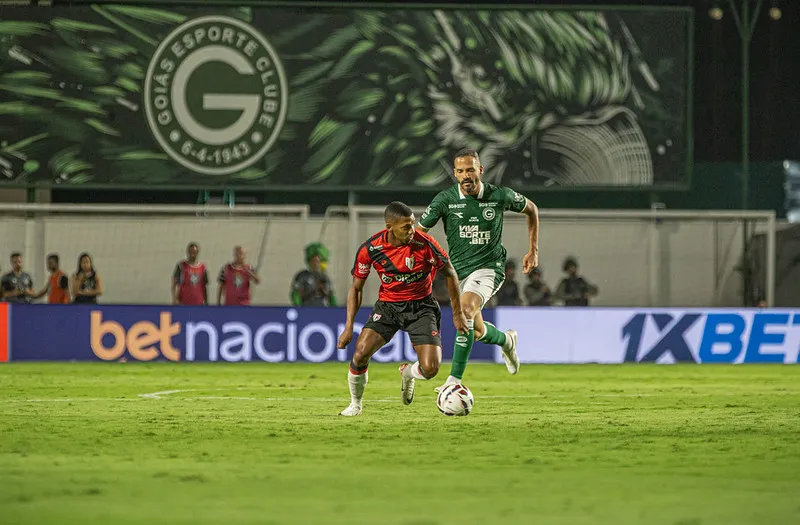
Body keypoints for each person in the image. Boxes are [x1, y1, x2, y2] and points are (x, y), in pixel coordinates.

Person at [417, 148, 540, 392]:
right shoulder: (445, 200)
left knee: (464, 311)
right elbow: (419, 234)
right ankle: (506, 340)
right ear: (454, 173)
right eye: (460, 171)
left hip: (489, 268)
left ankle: (454, 382)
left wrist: (533, 250)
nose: (466, 175)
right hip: (459, 273)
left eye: (470, 170)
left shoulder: (499, 195)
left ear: (480, 170)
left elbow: (532, 209)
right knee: (478, 330)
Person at [337, 201, 467, 417]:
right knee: (360, 353)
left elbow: (450, 274)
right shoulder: (371, 249)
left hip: (422, 307)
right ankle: (355, 405)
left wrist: (458, 313)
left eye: (413, 224)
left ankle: (407, 372)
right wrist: (349, 326)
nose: (412, 230)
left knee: (431, 369)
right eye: (406, 226)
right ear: (389, 226)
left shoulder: (425, 244)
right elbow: (356, 288)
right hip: (388, 307)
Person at [290, 243, 336, 307]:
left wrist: (335, 309)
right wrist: (298, 308)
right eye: (314, 261)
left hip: (322, 309)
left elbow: (331, 296)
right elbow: (296, 294)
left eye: (318, 261)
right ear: (309, 261)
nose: (316, 263)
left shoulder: (324, 277)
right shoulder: (302, 275)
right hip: (306, 307)